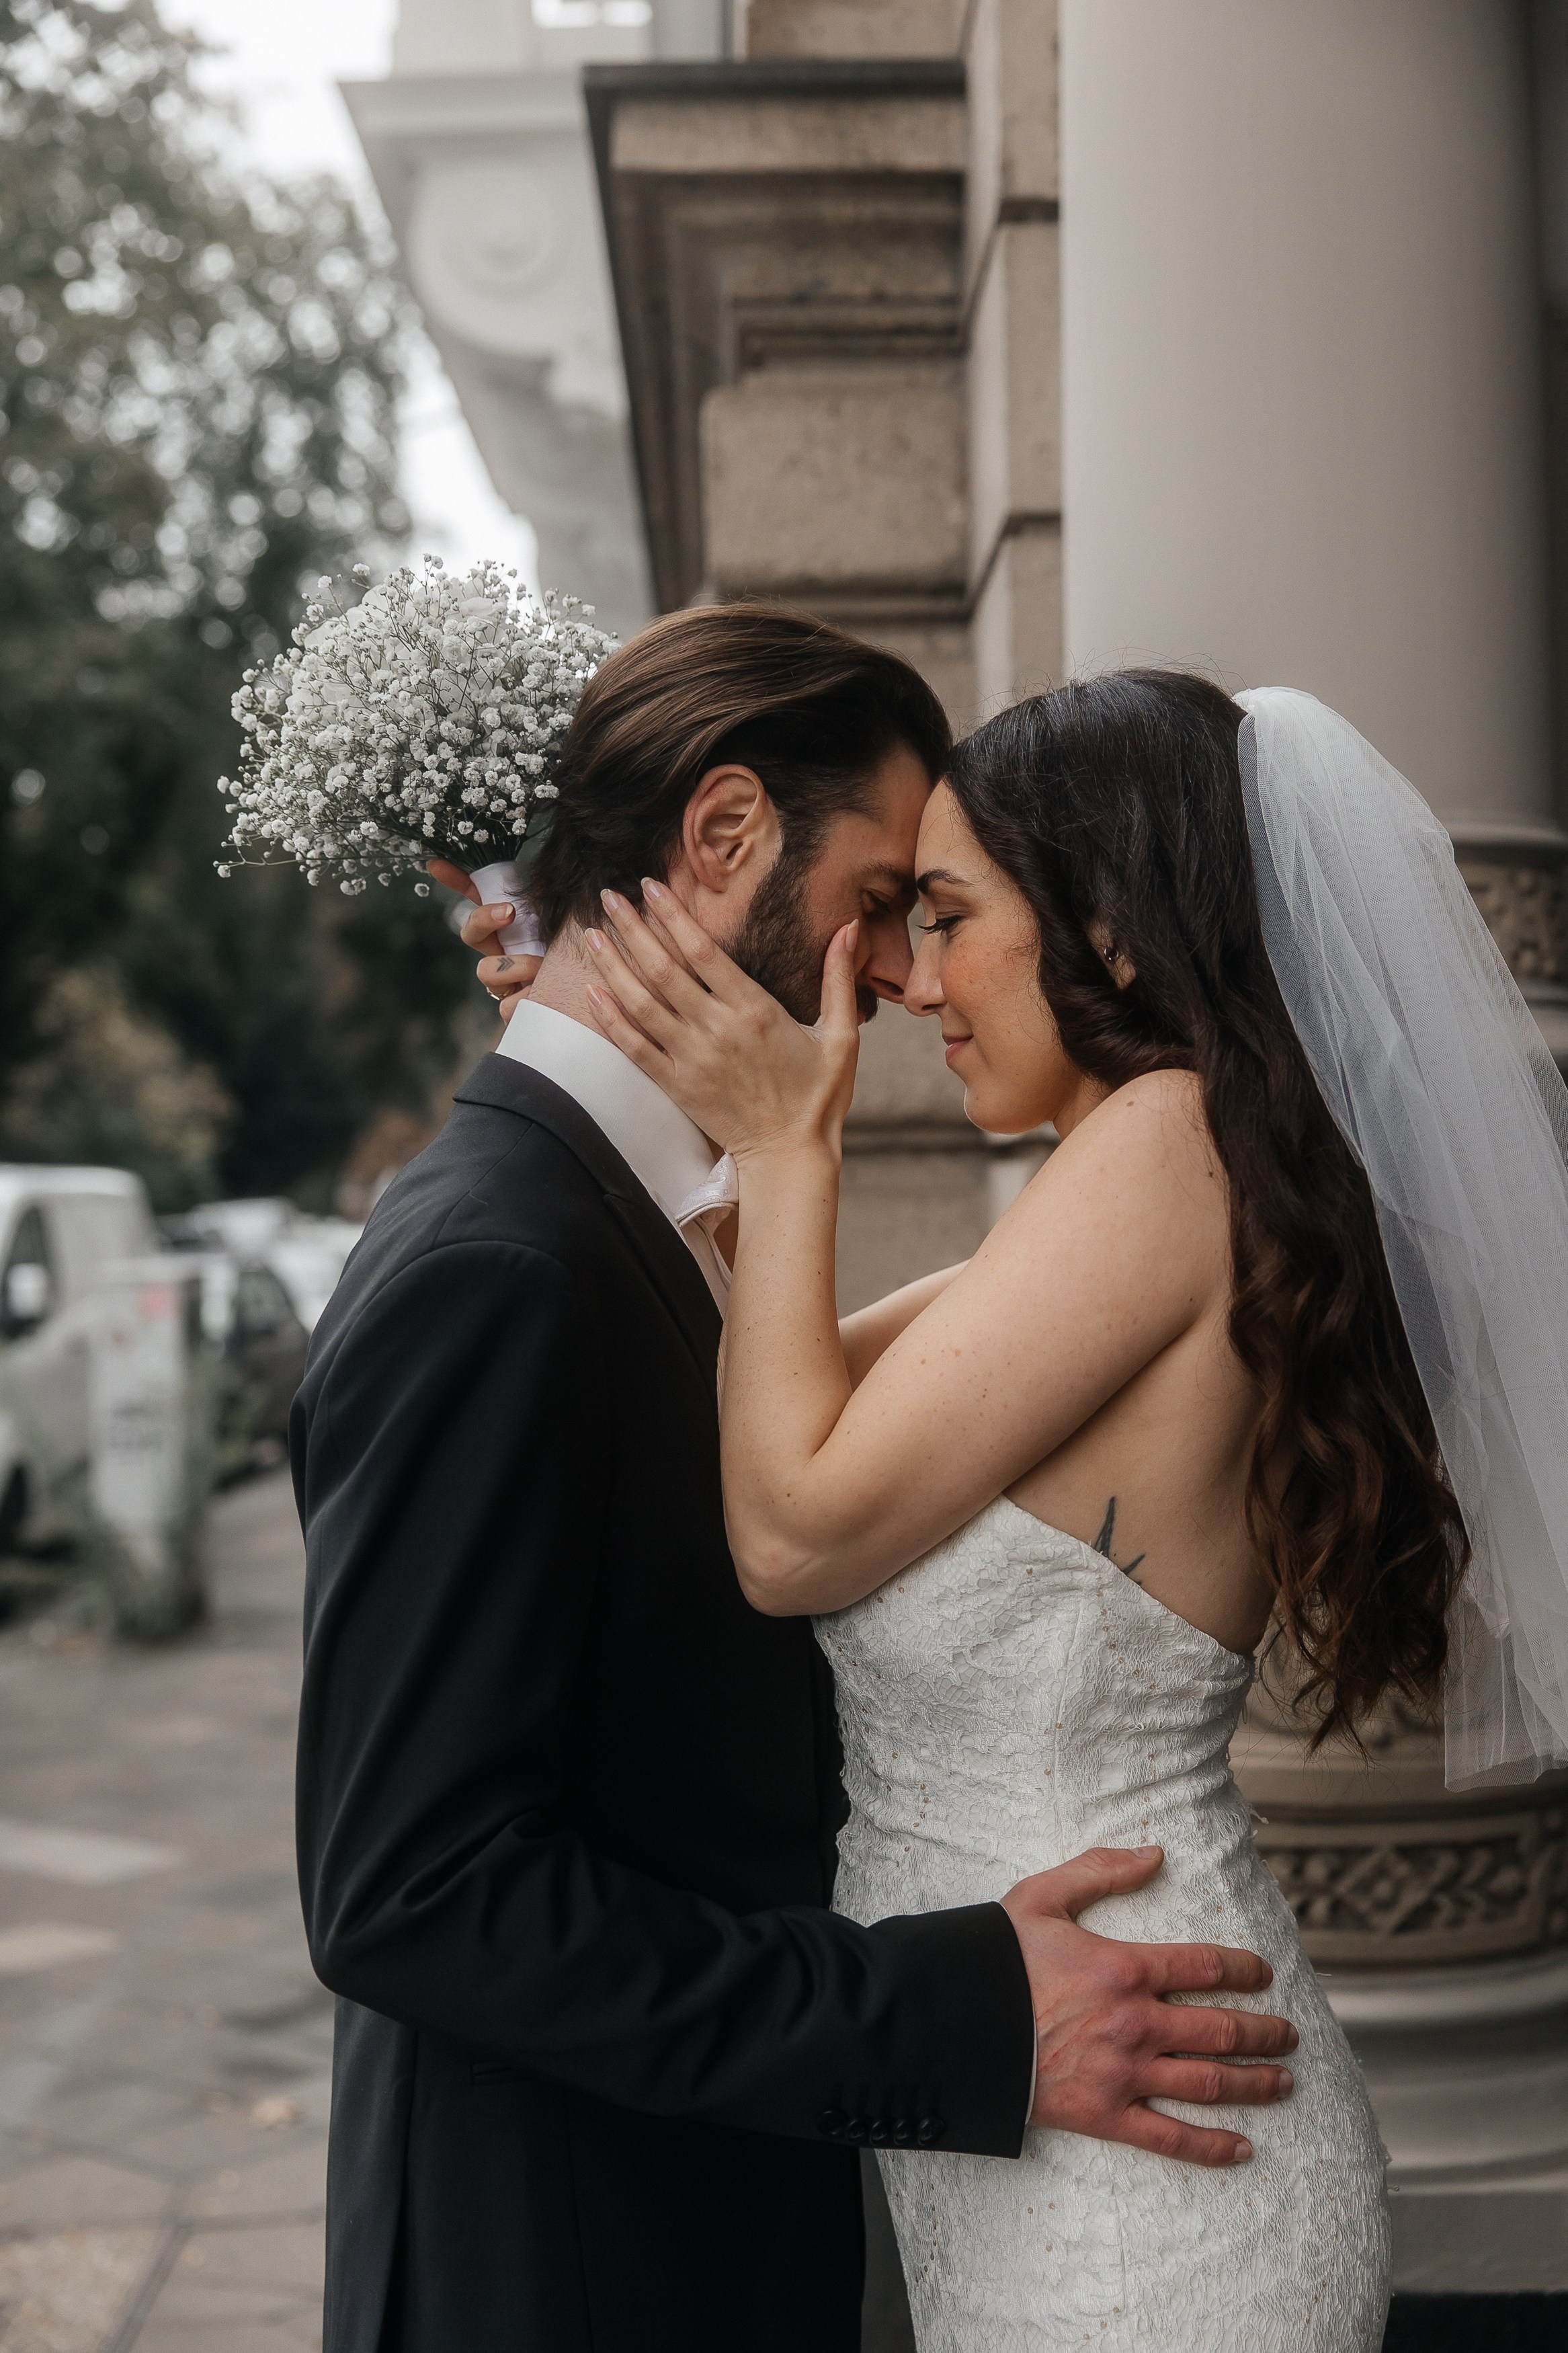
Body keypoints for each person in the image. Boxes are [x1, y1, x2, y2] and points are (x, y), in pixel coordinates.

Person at [292, 614, 1300, 2353]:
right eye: (887, 897)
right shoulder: (500, 1260)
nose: (905, 975)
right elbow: (415, 1890)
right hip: (569, 2277)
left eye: (939, 915)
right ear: (726, 837)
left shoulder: (630, 1221)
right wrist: (948, 2016)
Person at [576, 666, 1532, 2350]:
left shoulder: (1168, 1152)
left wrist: (802, 1152)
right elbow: (767, 1396)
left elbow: (790, 1533)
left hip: (1152, 2192)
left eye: (949, 918)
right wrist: (616, 1055)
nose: (916, 978)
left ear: (1116, 930)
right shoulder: (1133, 1174)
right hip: (1062, 2128)